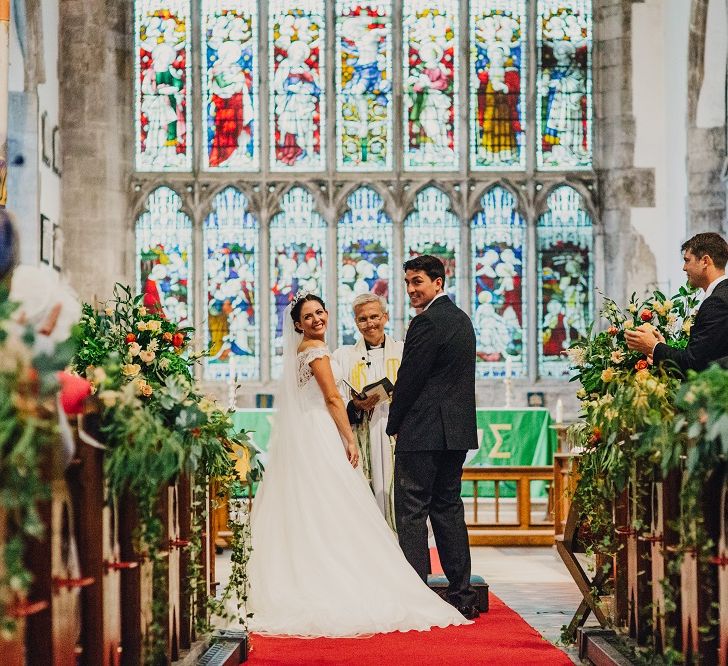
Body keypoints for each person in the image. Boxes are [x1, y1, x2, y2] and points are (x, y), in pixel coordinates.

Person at [244, 292, 468, 636]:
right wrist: (349, 437)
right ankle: (344, 577)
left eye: (320, 312)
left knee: (318, 507)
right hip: (326, 431)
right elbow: (333, 397)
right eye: (309, 316)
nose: (317, 319)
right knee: (340, 504)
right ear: (298, 324)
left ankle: (318, 573)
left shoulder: (319, 349)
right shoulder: (321, 351)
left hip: (327, 429)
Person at [386, 255, 480, 620]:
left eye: (418, 281)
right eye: (408, 282)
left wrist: (394, 423)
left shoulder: (426, 322)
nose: (411, 289)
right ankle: (462, 594)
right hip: (455, 431)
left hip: (423, 430)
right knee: (447, 508)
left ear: (438, 282)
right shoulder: (462, 320)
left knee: (411, 511)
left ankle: (416, 596)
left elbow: (410, 380)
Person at [333, 293, 403, 530]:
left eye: (375, 317)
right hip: (363, 431)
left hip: (396, 433)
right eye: (363, 319)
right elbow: (335, 399)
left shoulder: (405, 351)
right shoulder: (343, 357)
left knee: (398, 497)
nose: (370, 323)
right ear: (355, 322)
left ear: (386, 317)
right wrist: (355, 406)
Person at [625, 232, 728, 375]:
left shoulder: (718, 302)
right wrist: (661, 347)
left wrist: (653, 347)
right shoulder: (720, 295)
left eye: (687, 260)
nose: (684, 268)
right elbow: (703, 356)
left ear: (705, 261)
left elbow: (694, 364)